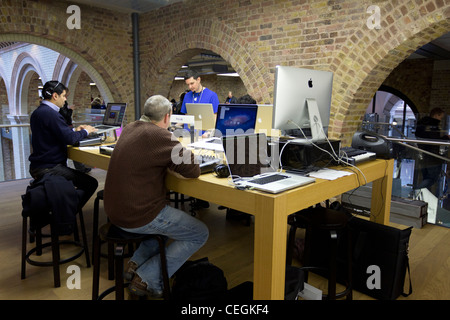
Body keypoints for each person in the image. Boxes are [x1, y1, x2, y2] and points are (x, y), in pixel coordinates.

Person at [103, 95, 209, 298]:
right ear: (167, 117)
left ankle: (134, 263)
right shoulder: (160, 136)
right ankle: (146, 277)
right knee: (199, 233)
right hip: (137, 214)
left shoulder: (131, 127)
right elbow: (193, 170)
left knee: (166, 222)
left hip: (115, 211)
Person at [29, 80, 98, 208]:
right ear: (55, 96)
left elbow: (55, 134)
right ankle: (67, 211)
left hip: (38, 166)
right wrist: (85, 131)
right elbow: (70, 139)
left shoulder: (38, 112)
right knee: (91, 183)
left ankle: (64, 206)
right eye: (64, 96)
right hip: (50, 168)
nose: (65, 100)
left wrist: (74, 130)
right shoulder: (51, 114)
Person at [415, 107, 450, 195]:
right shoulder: (432, 125)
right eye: (440, 117)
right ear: (435, 115)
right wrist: (446, 138)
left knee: (426, 178)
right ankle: (415, 193)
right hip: (432, 156)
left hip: (423, 155)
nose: (440, 120)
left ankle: (419, 195)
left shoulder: (422, 124)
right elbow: (434, 141)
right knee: (431, 179)